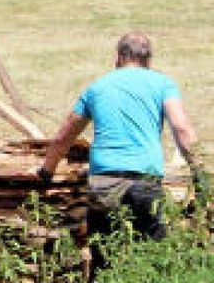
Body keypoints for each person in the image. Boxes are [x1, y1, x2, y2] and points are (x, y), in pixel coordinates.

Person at [37, 33, 206, 260]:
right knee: (153, 254)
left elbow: (64, 135)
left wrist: (47, 170)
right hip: (145, 180)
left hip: (105, 182)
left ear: (119, 57)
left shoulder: (97, 87)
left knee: (104, 257)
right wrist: (199, 172)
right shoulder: (163, 84)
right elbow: (182, 128)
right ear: (148, 60)